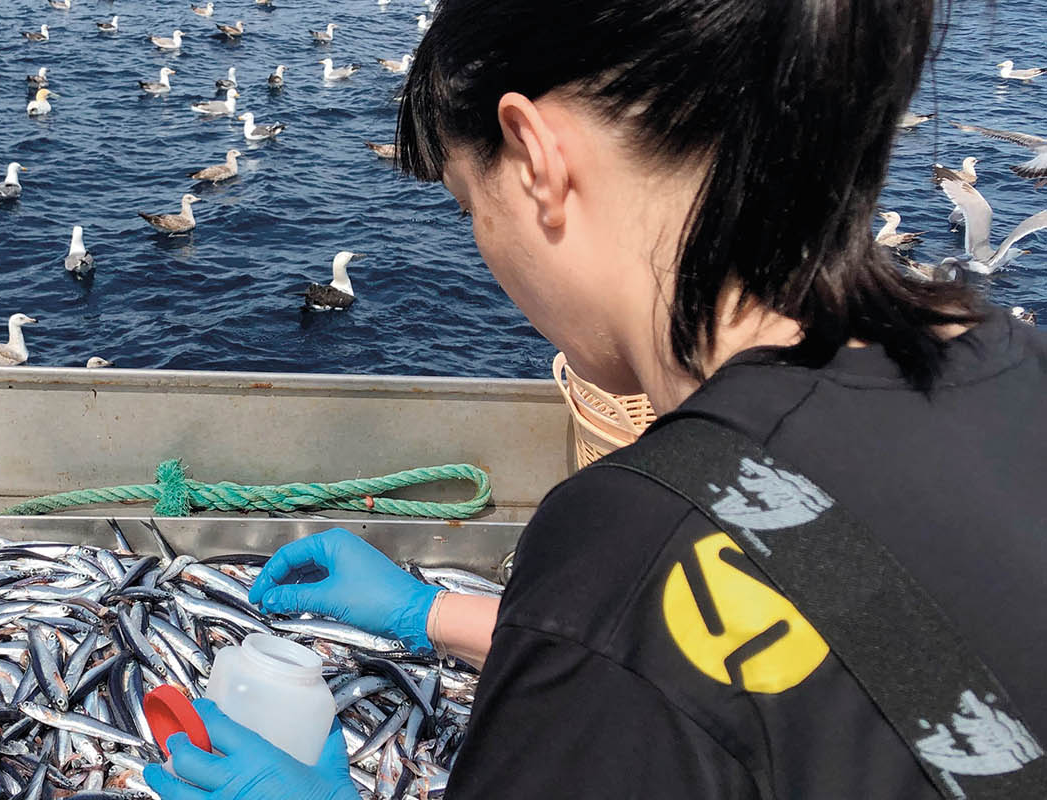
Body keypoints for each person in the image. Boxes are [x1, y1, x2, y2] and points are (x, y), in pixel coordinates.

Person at [142, 0, 1047, 798]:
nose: (483, 248)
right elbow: (846, 650)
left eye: (467, 204)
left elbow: (673, 637)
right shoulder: (1021, 365)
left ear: (535, 155)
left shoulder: (630, 538)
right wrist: (431, 615)